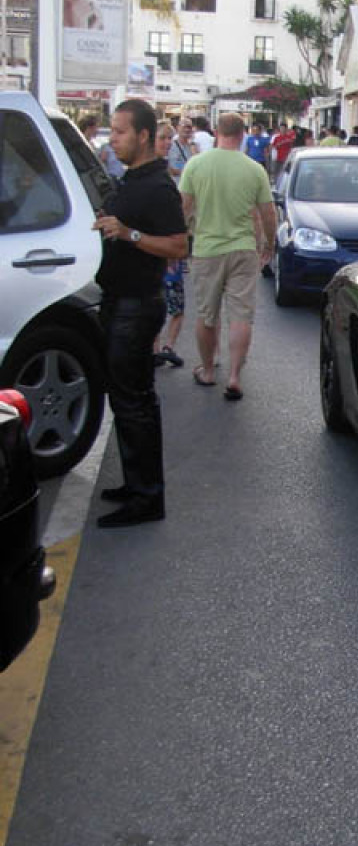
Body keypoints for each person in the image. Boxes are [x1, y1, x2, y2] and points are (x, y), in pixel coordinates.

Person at [90, 100, 188, 528]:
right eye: (112, 132)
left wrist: (127, 233)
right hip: (119, 302)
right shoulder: (132, 180)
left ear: (143, 136)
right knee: (128, 400)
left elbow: (178, 247)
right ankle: (137, 486)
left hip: (136, 306)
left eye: (119, 132)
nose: (112, 139)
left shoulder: (159, 186)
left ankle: (147, 498)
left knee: (134, 404)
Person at [179, 113, 276, 402]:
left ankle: (208, 370)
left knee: (207, 315)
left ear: (216, 132)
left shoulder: (195, 165)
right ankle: (234, 376)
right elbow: (268, 212)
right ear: (243, 134)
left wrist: (179, 243)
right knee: (241, 316)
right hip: (243, 249)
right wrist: (268, 243)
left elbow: (183, 209)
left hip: (207, 250)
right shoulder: (254, 169)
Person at [151, 122, 187, 369]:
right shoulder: (148, 173)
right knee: (155, 304)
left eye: (168, 138)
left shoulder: (164, 172)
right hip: (154, 252)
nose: (166, 143)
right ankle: (155, 350)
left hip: (171, 250)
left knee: (176, 305)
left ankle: (167, 348)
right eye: (162, 138)